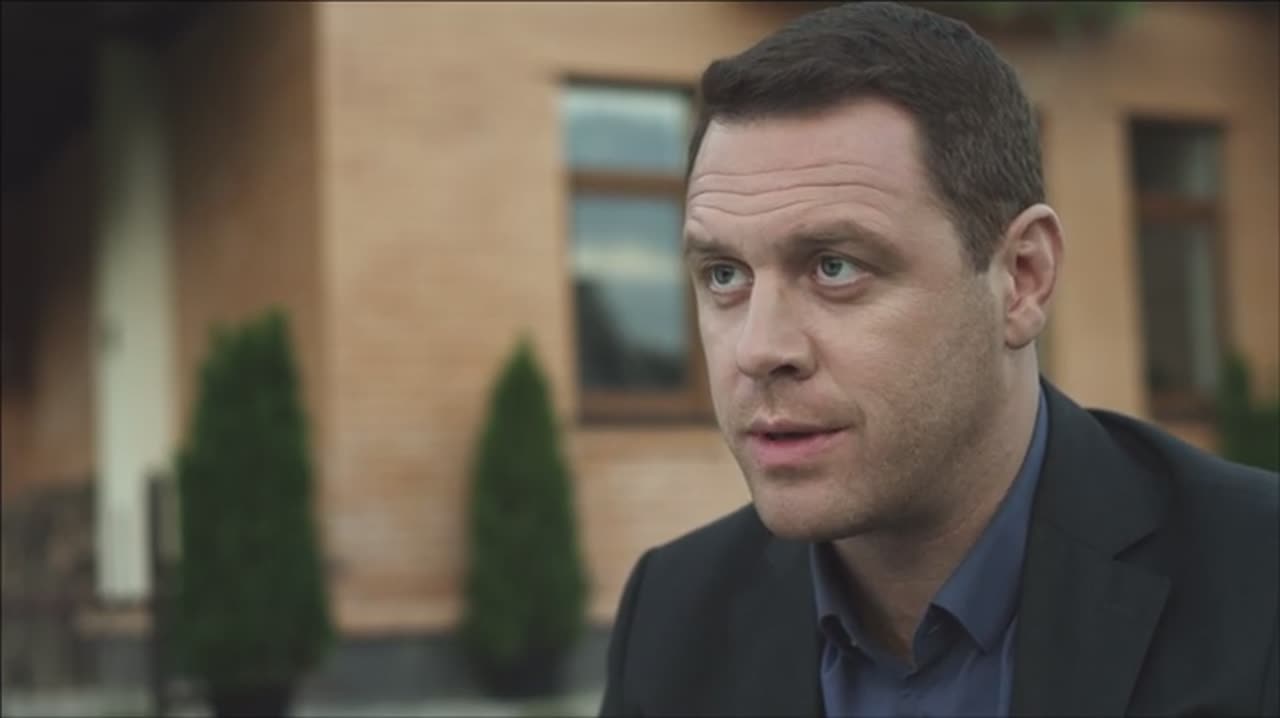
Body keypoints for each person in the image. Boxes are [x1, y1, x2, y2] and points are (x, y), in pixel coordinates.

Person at [598, 2, 1280, 716]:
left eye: (835, 267)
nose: (759, 349)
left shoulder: (1257, 583)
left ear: (1022, 278)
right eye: (724, 275)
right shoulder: (672, 619)